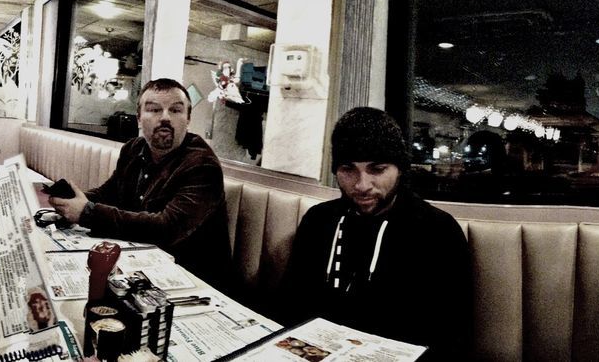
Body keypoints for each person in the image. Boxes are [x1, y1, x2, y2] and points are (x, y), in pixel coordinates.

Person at [275, 107, 473, 359]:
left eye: (376, 169)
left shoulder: (438, 231)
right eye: (348, 169)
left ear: (399, 169)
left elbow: (450, 338)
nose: (361, 185)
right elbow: (289, 305)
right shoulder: (319, 220)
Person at [48, 78, 232, 289]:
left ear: (188, 119)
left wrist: (87, 213)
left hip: (193, 281)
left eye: (175, 110)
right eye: (154, 109)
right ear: (138, 118)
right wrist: (72, 200)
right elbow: (110, 192)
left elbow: (167, 228)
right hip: (141, 266)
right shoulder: (133, 149)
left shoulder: (202, 165)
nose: (165, 118)